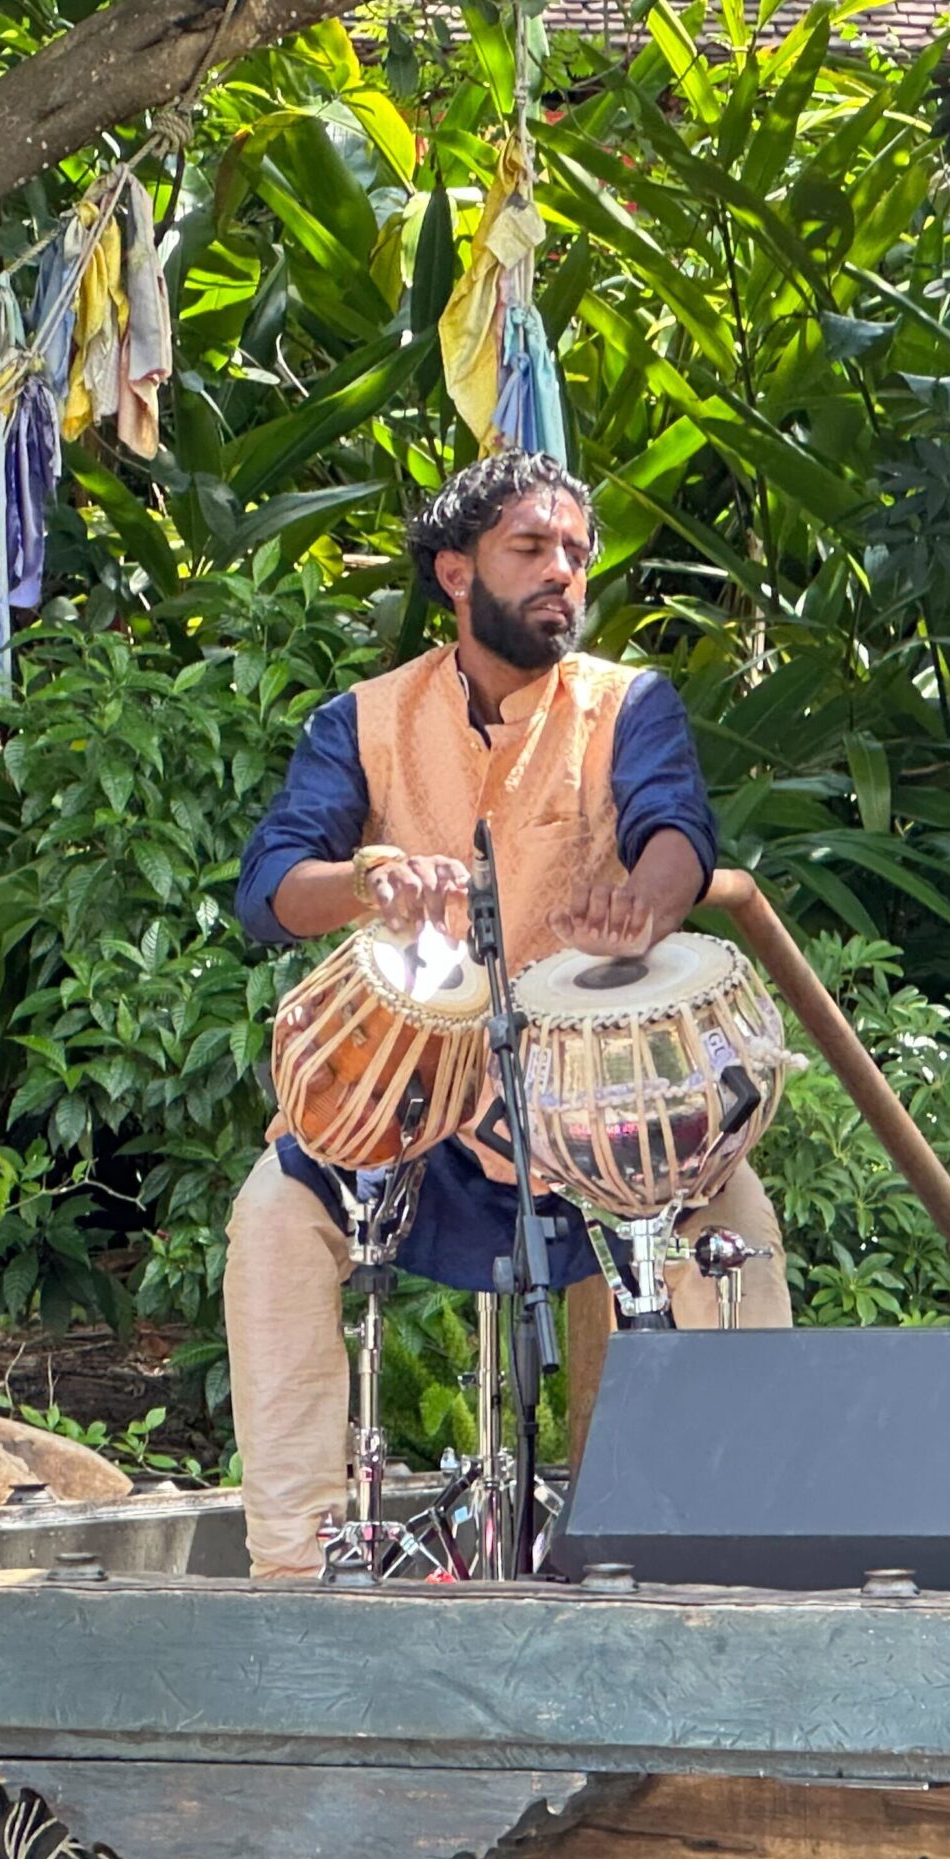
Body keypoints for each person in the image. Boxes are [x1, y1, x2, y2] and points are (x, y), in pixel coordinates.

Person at [224, 450, 790, 1580]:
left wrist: (647, 900)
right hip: (416, 1111)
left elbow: (679, 830)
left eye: (575, 555)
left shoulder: (628, 704)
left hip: (600, 1107)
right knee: (273, 1219)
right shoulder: (364, 721)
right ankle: (290, 1571)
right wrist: (370, 881)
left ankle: (728, 1562)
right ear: (453, 571)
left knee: (733, 1221)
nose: (562, 576)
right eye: (530, 550)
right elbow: (271, 886)